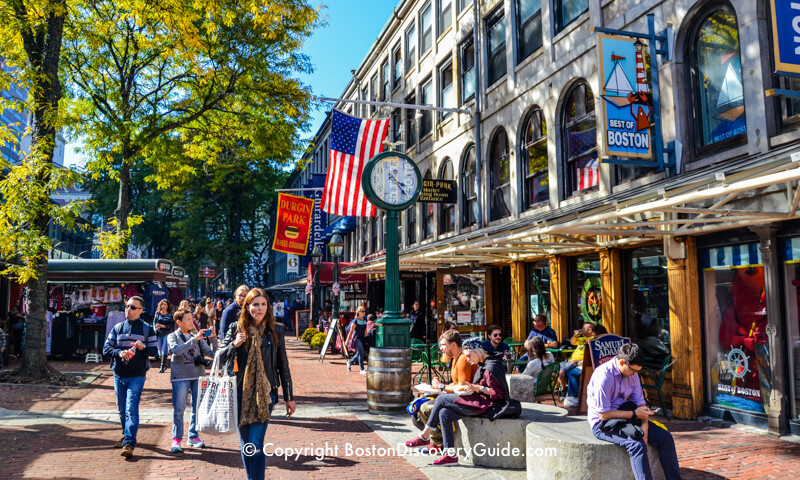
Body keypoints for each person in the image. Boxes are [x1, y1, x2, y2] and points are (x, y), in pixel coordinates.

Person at [218, 288, 295, 480]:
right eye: (255, 304)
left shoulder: (276, 329)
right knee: (247, 445)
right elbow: (218, 358)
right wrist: (233, 345)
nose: (259, 308)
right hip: (239, 394)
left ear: (267, 306)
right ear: (247, 307)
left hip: (265, 394)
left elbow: (282, 365)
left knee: (256, 443)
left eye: (263, 304)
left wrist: (289, 397)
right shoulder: (236, 328)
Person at [404, 337, 509, 466]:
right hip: (478, 401)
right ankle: (450, 455)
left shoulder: (492, 366)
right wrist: (471, 387)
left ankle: (425, 436)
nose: (469, 360)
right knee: (444, 413)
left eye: (469, 356)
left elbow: (498, 394)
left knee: (442, 399)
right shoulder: (483, 364)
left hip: (487, 405)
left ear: (477, 351)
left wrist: (477, 388)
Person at [587, 343, 681, 480]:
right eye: (633, 371)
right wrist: (635, 414)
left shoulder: (633, 372)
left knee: (665, 438)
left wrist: (645, 426)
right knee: (636, 445)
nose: (635, 374)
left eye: (638, 371)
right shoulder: (604, 376)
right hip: (603, 424)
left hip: (628, 416)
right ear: (621, 362)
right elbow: (603, 415)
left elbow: (641, 404)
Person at [102, 296, 158, 458]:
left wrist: (143, 347)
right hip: (118, 374)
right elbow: (106, 349)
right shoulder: (118, 327)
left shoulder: (147, 329)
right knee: (121, 410)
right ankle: (126, 434)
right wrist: (119, 352)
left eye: (133, 307)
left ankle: (129, 443)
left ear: (141, 310)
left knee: (130, 408)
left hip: (137, 375)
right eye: (127, 306)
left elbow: (155, 352)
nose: (128, 310)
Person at [415, 329, 479, 454]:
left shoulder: (462, 360)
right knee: (417, 406)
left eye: (443, 345)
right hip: (457, 397)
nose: (441, 348)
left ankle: (433, 441)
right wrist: (438, 387)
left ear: (453, 345)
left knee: (424, 408)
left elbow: (461, 387)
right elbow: (456, 384)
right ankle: (438, 445)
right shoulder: (454, 358)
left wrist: (441, 387)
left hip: (467, 400)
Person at [167, 308, 214, 453]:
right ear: (179, 322)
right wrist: (195, 339)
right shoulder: (173, 336)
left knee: (197, 409)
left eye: (192, 319)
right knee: (179, 410)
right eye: (187, 319)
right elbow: (176, 351)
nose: (191, 322)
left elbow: (212, 354)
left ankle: (193, 436)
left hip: (198, 375)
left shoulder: (197, 337)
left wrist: (213, 338)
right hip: (181, 376)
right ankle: (177, 439)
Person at [559, 322, 596, 407]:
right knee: (558, 368)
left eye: (583, 328)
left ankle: (570, 394)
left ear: (590, 330)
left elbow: (589, 355)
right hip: (572, 361)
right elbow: (572, 342)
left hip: (578, 363)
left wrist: (577, 360)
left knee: (565, 372)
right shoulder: (583, 338)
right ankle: (566, 391)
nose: (582, 330)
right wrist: (575, 335)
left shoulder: (592, 340)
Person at [344, 306, 368, 375]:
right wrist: (347, 341)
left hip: (362, 339)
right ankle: (362, 369)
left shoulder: (364, 321)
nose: (364, 313)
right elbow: (351, 331)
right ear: (358, 312)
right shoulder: (355, 321)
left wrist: (366, 340)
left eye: (364, 311)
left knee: (358, 354)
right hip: (356, 338)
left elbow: (365, 332)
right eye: (362, 311)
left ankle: (350, 362)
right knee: (361, 353)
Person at [153, 299, 174, 373]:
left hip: (167, 333)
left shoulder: (170, 315)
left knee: (164, 348)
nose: (164, 306)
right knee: (159, 350)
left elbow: (171, 326)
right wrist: (155, 328)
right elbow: (154, 322)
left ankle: (162, 366)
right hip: (159, 333)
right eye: (162, 304)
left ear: (168, 306)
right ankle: (164, 364)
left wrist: (163, 326)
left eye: (165, 304)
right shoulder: (157, 313)